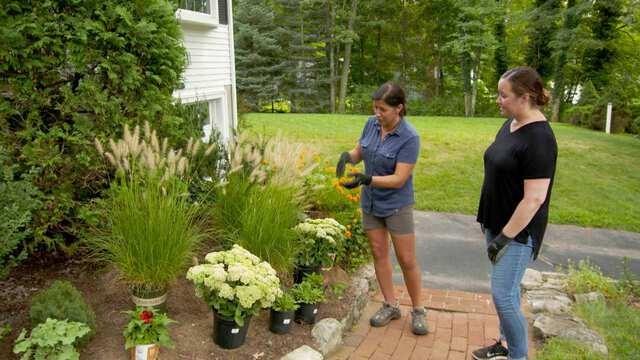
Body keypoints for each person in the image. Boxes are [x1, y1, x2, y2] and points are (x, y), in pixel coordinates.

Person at [473, 67, 558, 360]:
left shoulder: (540, 140)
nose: (498, 100)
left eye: (503, 95)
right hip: (496, 225)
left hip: (517, 234)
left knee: (503, 296)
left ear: (525, 97)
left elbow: (534, 199)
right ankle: (505, 345)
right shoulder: (511, 124)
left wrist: (503, 238)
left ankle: (518, 356)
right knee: (506, 292)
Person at [336, 82, 427, 335]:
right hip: (372, 203)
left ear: (399, 108)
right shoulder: (371, 124)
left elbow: (399, 178)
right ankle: (390, 304)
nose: (377, 113)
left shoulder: (410, 137)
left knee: (406, 259)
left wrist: (367, 179)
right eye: (375, 108)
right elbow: (360, 150)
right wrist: (347, 156)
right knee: (378, 252)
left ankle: (418, 310)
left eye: (383, 109)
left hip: (397, 204)